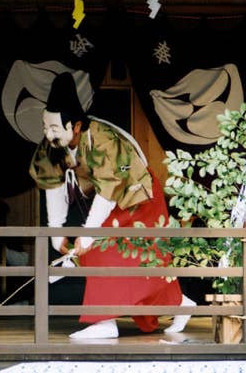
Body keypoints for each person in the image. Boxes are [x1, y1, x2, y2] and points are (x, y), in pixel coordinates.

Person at [29, 72, 196, 339]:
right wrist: (56, 231)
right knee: (107, 257)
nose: (48, 135)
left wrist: (89, 233)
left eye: (54, 128)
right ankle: (179, 303)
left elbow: (108, 190)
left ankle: (104, 320)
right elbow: (53, 183)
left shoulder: (103, 139)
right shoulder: (52, 145)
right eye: (45, 127)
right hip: (111, 201)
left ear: (75, 126)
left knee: (113, 254)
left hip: (139, 197)